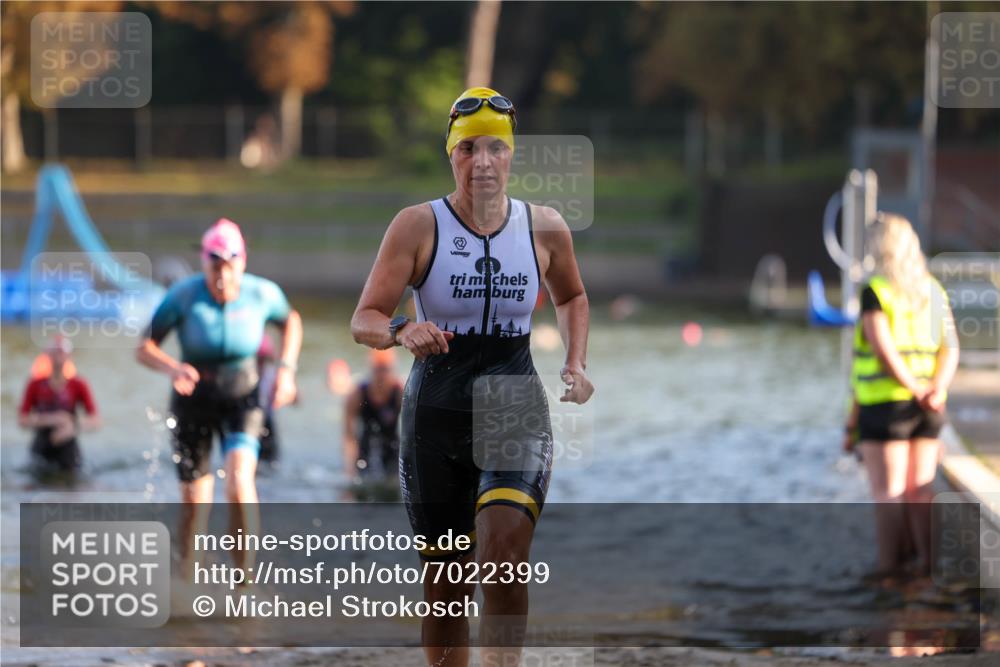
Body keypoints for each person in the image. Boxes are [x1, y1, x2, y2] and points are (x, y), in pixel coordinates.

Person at [351, 87, 594, 666]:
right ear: (450, 154)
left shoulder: (545, 227)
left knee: (505, 553)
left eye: (494, 149)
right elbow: (364, 318)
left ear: (511, 156)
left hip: (514, 399)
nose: (482, 162)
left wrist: (576, 363)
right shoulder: (416, 225)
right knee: (446, 590)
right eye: (468, 150)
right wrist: (403, 329)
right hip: (436, 406)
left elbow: (573, 296)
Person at [136, 218, 302, 577]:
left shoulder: (262, 293)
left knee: (240, 481)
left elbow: (291, 321)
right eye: (214, 269)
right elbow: (144, 347)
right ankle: (187, 581)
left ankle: (243, 584)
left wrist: (287, 370)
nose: (221, 279)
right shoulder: (182, 295)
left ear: (242, 262)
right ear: (204, 264)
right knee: (196, 502)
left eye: (229, 268)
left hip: (242, 396)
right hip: (192, 397)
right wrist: (172, 368)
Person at [844, 213, 959, 581]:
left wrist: (913, 387)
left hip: (886, 405)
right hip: (929, 408)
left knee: (889, 492)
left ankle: (888, 573)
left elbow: (882, 349)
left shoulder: (875, 291)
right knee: (920, 490)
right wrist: (935, 388)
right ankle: (927, 568)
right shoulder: (932, 290)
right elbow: (950, 348)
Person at [18, 336, 100, 479]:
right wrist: (52, 419)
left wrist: (72, 427)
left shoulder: (78, 384)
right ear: (47, 355)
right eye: (55, 352)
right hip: (41, 446)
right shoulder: (35, 384)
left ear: (69, 356)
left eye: (62, 352)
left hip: (68, 447)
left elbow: (95, 420)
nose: (58, 357)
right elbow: (22, 420)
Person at [342, 348, 404, 499]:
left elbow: (413, 431)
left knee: (392, 486)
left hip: (392, 445)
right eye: (377, 370)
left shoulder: (400, 392)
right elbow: (349, 436)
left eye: (385, 370)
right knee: (359, 486)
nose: (381, 375)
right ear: (371, 370)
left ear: (392, 370)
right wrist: (349, 468)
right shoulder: (357, 394)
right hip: (365, 444)